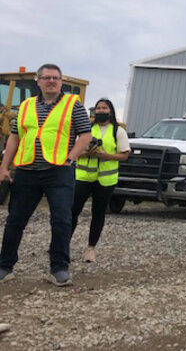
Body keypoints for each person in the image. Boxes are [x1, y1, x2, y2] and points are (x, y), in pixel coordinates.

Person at [0, 64, 92, 287]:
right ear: (38, 81)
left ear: (61, 82)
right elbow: (14, 137)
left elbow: (85, 135)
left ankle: (59, 269)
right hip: (27, 171)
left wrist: (70, 159)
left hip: (59, 172)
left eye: (56, 78)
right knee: (15, 220)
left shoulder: (74, 105)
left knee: (61, 219)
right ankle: (5, 266)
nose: (52, 81)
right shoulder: (25, 106)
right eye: (47, 78)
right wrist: (4, 166)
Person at [71, 98, 130, 263]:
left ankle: (91, 248)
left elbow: (125, 155)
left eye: (104, 108)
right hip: (83, 177)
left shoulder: (118, 131)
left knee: (98, 213)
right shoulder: (86, 129)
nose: (101, 111)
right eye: (98, 108)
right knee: (72, 211)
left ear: (110, 111)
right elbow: (73, 151)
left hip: (105, 180)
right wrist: (87, 153)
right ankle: (61, 245)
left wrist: (106, 156)